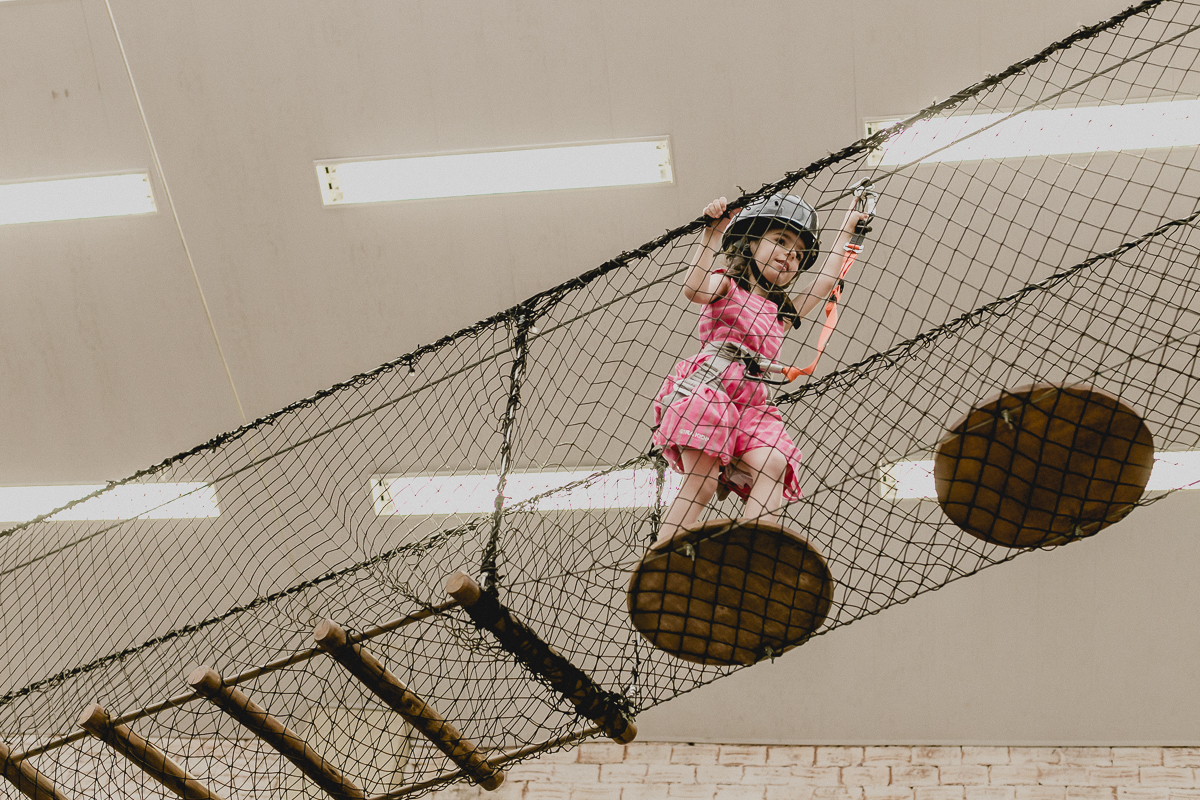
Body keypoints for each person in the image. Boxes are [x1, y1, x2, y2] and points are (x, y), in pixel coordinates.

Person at [651, 189, 873, 547]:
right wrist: (711, 233)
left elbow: (827, 282)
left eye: (799, 254)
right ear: (751, 243)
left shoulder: (782, 311)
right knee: (703, 482)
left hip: (753, 403)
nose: (790, 255)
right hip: (712, 387)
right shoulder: (727, 285)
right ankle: (662, 558)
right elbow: (692, 289)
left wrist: (848, 230)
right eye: (781, 241)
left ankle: (753, 554)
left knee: (773, 463)